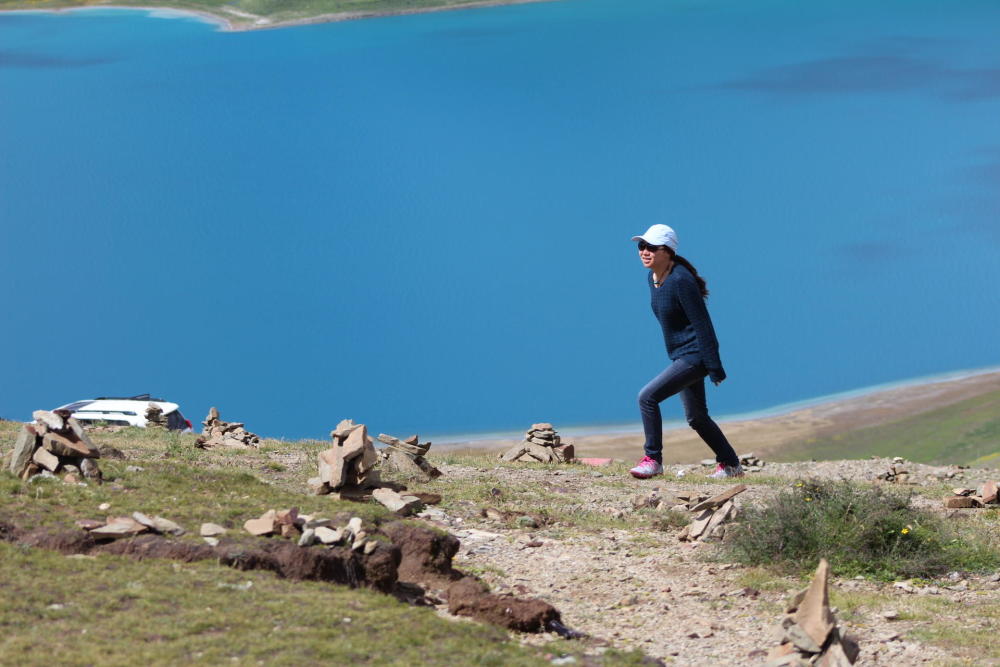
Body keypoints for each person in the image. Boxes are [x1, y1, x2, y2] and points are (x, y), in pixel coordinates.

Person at [628, 224, 743, 480]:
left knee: (647, 397)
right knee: (697, 417)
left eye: (651, 247)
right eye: (641, 246)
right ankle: (731, 464)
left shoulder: (681, 281)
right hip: (682, 355)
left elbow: (703, 324)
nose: (644, 252)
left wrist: (714, 366)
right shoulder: (653, 279)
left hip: (695, 356)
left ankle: (653, 460)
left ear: (667, 251)